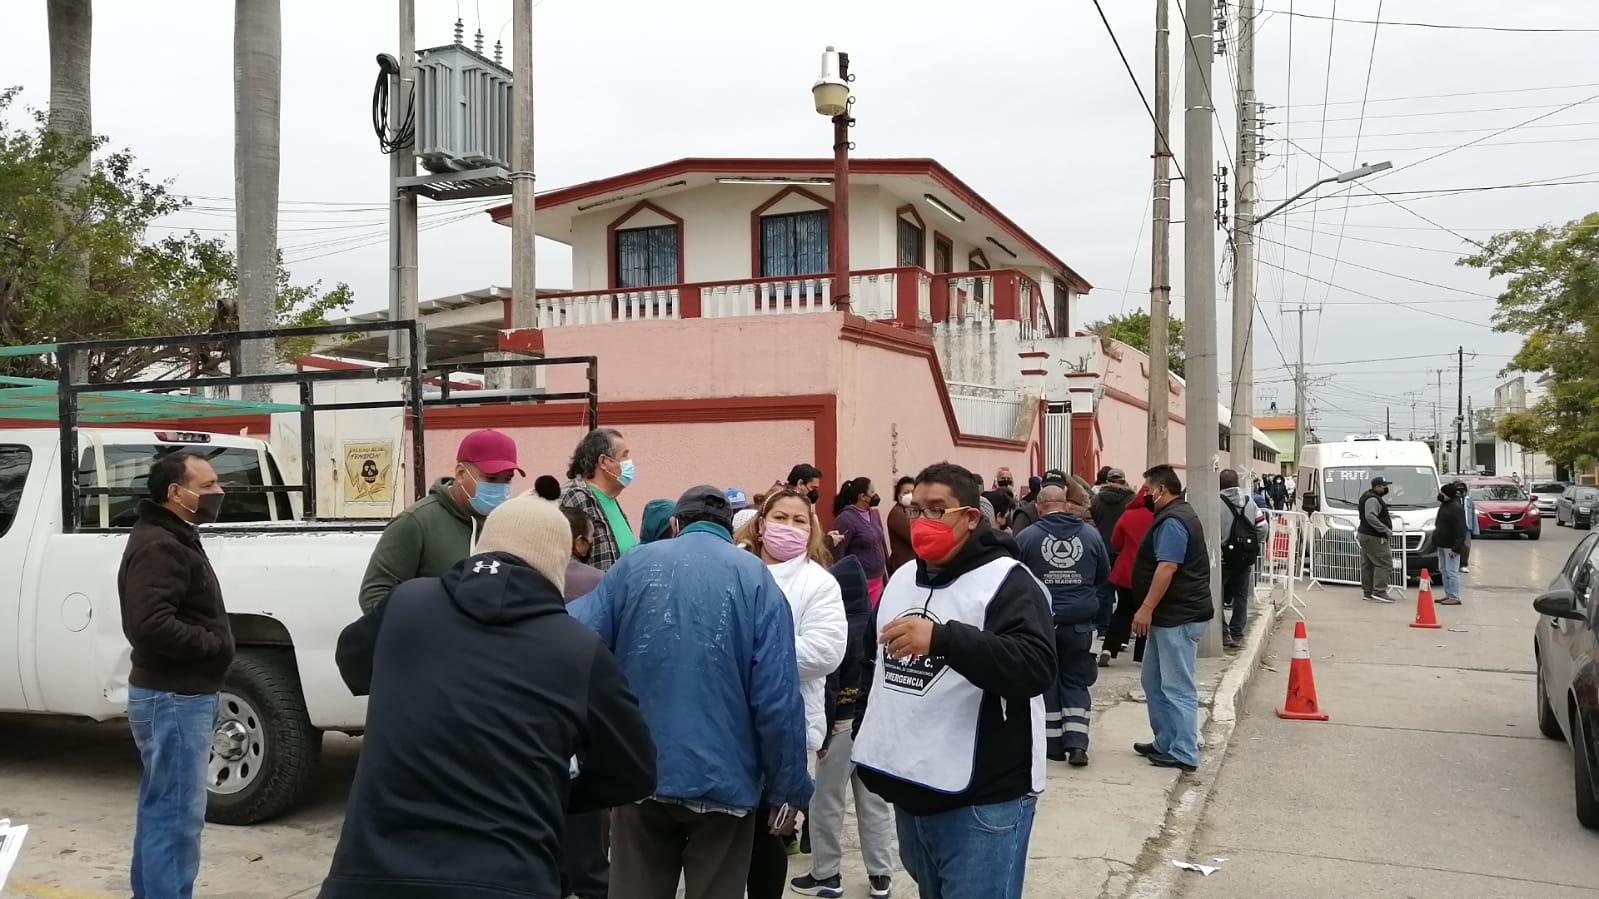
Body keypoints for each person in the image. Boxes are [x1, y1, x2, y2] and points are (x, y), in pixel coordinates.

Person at [323, 495, 656, 899]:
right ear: (559, 563)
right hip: (509, 878)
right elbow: (635, 771)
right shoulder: (579, 650)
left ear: (483, 542)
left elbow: (352, 664)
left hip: (368, 876)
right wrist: (554, 792)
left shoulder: (406, 605)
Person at [568, 486, 813, 899]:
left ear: (676, 524)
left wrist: (596, 753)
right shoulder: (758, 580)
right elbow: (778, 700)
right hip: (726, 780)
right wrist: (787, 789)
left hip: (640, 772)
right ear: (731, 531)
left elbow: (579, 646)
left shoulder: (634, 566)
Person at [851, 462, 1057, 899]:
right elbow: (875, 665)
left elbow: (1035, 666)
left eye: (936, 509)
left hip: (984, 797)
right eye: (915, 509)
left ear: (969, 518)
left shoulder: (1008, 582)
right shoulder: (903, 577)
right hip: (914, 786)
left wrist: (944, 640)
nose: (922, 521)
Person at [119, 451, 233, 899]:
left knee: (162, 808)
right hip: (174, 696)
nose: (217, 493)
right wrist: (213, 644)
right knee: (177, 815)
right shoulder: (160, 545)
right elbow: (148, 624)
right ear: (176, 493)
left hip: (175, 695)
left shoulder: (174, 536)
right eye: (206, 486)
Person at [733, 491, 848, 899]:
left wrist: (748, 653)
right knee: (727, 828)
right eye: (780, 517)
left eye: (800, 520)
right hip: (727, 720)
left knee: (768, 829)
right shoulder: (735, 569)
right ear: (761, 524)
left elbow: (826, 651)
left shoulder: (819, 583)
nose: (789, 527)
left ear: (812, 529)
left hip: (786, 724)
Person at [792, 554, 896, 899]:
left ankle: (827, 874)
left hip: (839, 728)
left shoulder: (836, 628)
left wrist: (821, 733)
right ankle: (881, 876)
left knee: (827, 802)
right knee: (875, 804)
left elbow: (829, 685)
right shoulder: (880, 628)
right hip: (873, 729)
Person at [357, 429, 523, 613]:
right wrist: (426, 630)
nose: (500, 488)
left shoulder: (508, 525)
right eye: (491, 478)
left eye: (507, 479)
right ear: (460, 473)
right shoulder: (416, 522)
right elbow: (375, 595)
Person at [1016, 482, 1114, 767]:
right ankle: (1077, 744)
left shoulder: (1027, 537)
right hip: (1080, 624)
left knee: (1046, 680)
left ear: (1038, 507)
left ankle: (1052, 746)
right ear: (1067, 505)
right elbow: (1102, 577)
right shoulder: (1091, 535)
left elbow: (1016, 580)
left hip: (1040, 624)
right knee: (1076, 680)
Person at [1130, 464, 1213, 774]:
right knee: (1153, 680)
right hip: (1170, 616)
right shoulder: (1175, 515)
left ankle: (1184, 750)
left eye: (1148, 489)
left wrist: (1146, 608)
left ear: (1161, 490)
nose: (1146, 495)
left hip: (1177, 616)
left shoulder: (1174, 521)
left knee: (1177, 685)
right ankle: (1166, 741)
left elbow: (1167, 567)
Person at [560, 427, 637, 572]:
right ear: (603, 462)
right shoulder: (576, 496)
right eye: (624, 456)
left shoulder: (609, 499)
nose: (630, 463)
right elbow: (567, 563)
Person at [1103, 486, 1154, 666]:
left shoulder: (1128, 515)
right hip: (1148, 572)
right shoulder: (1158, 516)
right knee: (1146, 611)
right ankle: (1141, 654)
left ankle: (1109, 648)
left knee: (1122, 611)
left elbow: (1115, 541)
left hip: (1125, 571)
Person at [1219, 470, 1268, 650]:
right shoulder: (1250, 502)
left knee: (1217, 596)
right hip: (1245, 558)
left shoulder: (1216, 503)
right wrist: (1255, 543)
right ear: (1237, 483)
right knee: (1241, 596)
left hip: (1223, 559)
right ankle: (1237, 632)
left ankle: (1224, 633)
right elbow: (1262, 526)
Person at [832, 477, 889, 606]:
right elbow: (839, 552)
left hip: (877, 578)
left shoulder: (872, 514)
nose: (876, 495)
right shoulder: (846, 519)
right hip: (860, 581)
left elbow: (881, 543)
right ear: (863, 496)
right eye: (872, 492)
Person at [1357, 476, 1398, 603]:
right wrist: (1385, 529)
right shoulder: (1373, 499)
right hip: (1374, 536)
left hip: (1365, 535)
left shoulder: (1367, 496)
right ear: (1377, 487)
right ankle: (1379, 591)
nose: (1386, 488)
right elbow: (1370, 516)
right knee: (1385, 563)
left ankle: (1368, 592)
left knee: (1368, 564)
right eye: (1384, 486)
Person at [1434, 481, 1469, 606]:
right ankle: (1448, 594)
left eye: (1442, 493)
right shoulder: (1444, 505)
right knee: (1443, 570)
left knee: (1452, 571)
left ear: (1448, 494)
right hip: (1442, 544)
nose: (1440, 495)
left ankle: (1455, 596)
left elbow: (1461, 530)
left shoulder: (1456, 508)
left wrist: (1457, 547)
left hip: (1451, 546)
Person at [1090, 468, 1136, 547]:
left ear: (1107, 482)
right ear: (1124, 482)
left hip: (1102, 546)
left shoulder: (1095, 500)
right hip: (1123, 547)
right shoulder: (1132, 500)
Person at [886, 475, 917, 575]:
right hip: (903, 566)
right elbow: (914, 536)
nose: (910, 495)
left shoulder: (910, 511)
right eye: (906, 492)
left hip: (912, 565)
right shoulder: (897, 514)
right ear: (899, 495)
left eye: (913, 492)